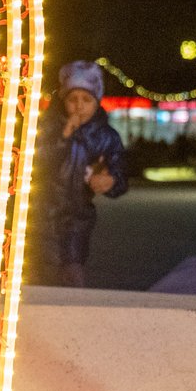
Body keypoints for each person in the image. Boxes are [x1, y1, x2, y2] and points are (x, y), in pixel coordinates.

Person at [36, 59, 129, 287]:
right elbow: (38, 160)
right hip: (43, 212)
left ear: (96, 101)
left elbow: (119, 172)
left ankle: (72, 306)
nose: (79, 106)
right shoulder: (49, 128)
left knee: (72, 265)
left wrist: (111, 180)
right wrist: (63, 138)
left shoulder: (105, 136)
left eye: (86, 100)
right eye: (72, 99)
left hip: (78, 216)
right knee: (44, 267)